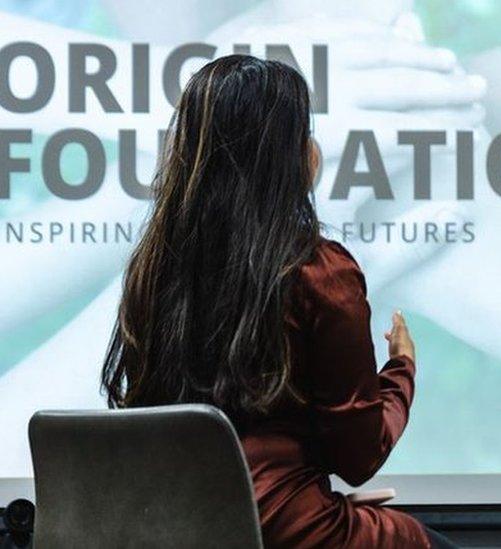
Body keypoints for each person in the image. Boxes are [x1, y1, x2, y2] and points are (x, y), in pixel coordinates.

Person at [99, 55, 455, 548]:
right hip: (289, 531)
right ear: (286, 157)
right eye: (304, 133)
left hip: (177, 528)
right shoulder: (319, 272)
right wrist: (402, 369)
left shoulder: (154, 269)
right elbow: (359, 457)